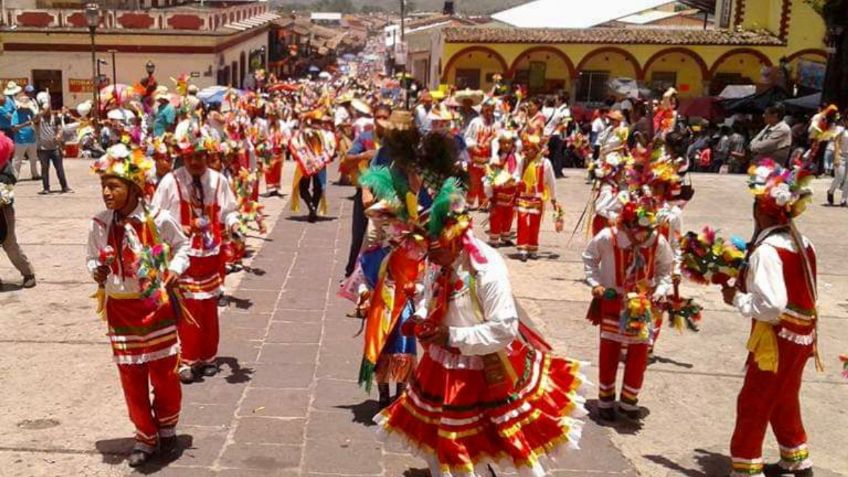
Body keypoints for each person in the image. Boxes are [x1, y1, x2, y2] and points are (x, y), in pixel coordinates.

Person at [375, 178, 588, 477]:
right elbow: (430, 293)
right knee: (440, 442)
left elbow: (504, 329)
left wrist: (451, 335)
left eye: (432, 248)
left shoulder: (486, 267)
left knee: (505, 439)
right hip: (442, 365)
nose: (428, 257)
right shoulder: (438, 260)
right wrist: (422, 316)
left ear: (452, 238)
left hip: (486, 366)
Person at [87, 144, 189, 466]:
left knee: (164, 376)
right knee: (131, 379)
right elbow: (91, 257)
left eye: (113, 186)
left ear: (132, 188)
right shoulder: (100, 224)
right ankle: (145, 436)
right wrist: (97, 271)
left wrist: (174, 269)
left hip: (156, 309)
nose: (106, 192)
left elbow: (182, 246)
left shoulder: (158, 218)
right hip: (121, 311)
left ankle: (167, 427)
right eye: (103, 185)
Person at [721, 161, 817, 477]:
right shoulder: (803, 242)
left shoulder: (767, 250)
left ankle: (747, 467)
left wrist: (738, 298)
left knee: (754, 401)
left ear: (761, 213)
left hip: (778, 340)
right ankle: (796, 457)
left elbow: (772, 306)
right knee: (784, 396)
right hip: (803, 337)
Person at [152, 136, 240, 384]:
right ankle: (186, 360)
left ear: (207, 156)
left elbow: (229, 210)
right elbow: (155, 214)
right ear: (183, 157)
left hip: (210, 256)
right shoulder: (171, 181)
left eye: (200, 156)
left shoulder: (218, 180)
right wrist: (179, 227)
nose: (195, 161)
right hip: (183, 256)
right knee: (184, 309)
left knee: (208, 310)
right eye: (190, 157)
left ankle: (208, 357)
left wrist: (234, 226)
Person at [583, 198, 673, 421]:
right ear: (626, 224)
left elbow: (665, 268)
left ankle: (629, 401)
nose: (642, 236)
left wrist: (661, 290)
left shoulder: (657, 241)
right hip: (613, 301)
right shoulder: (608, 237)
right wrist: (596, 285)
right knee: (609, 351)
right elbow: (589, 258)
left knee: (639, 353)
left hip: (643, 304)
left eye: (646, 230)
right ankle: (605, 399)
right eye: (637, 229)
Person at [515, 134, 560, 262]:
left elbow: (551, 181)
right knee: (522, 222)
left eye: (530, 149)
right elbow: (516, 174)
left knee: (534, 223)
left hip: (537, 198)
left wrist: (554, 198)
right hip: (523, 197)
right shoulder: (522, 161)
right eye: (526, 148)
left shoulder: (545, 163)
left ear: (536, 149)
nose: (527, 151)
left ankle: (532, 247)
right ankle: (522, 249)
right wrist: (518, 181)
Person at [0, 133, 36, 289]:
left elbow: (5, 198)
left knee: (9, 244)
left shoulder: (6, 173)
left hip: (4, 212)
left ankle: (28, 273)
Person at [289, 111, 337, 222]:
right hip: (319, 164)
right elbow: (332, 148)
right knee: (317, 188)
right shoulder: (327, 134)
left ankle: (312, 207)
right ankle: (313, 209)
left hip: (306, 163)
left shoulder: (303, 132)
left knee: (304, 188)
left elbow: (294, 144)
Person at [463, 99, 498, 210]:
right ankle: (470, 202)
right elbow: (467, 137)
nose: (489, 110)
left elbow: (499, 139)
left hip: (489, 157)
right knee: (473, 180)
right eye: (487, 107)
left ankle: (484, 203)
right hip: (476, 156)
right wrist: (473, 146)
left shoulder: (496, 123)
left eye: (491, 107)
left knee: (487, 181)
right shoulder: (475, 122)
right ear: (482, 108)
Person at [34, 92, 71, 194]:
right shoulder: (39, 118)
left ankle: (65, 187)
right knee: (44, 169)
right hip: (43, 149)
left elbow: (60, 129)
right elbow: (35, 119)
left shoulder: (56, 118)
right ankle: (46, 188)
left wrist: (59, 135)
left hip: (55, 148)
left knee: (59, 168)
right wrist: (42, 110)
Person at [10, 95, 40, 181]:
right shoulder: (16, 113)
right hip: (20, 140)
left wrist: (37, 117)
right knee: (17, 160)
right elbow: (13, 127)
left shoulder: (31, 111)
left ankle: (35, 174)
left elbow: (36, 121)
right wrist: (25, 124)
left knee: (33, 159)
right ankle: (15, 176)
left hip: (32, 139)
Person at [827, 113, 848, 206]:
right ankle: (831, 191)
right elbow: (837, 143)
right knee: (839, 177)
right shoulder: (841, 130)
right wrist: (836, 156)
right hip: (841, 156)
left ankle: (844, 199)